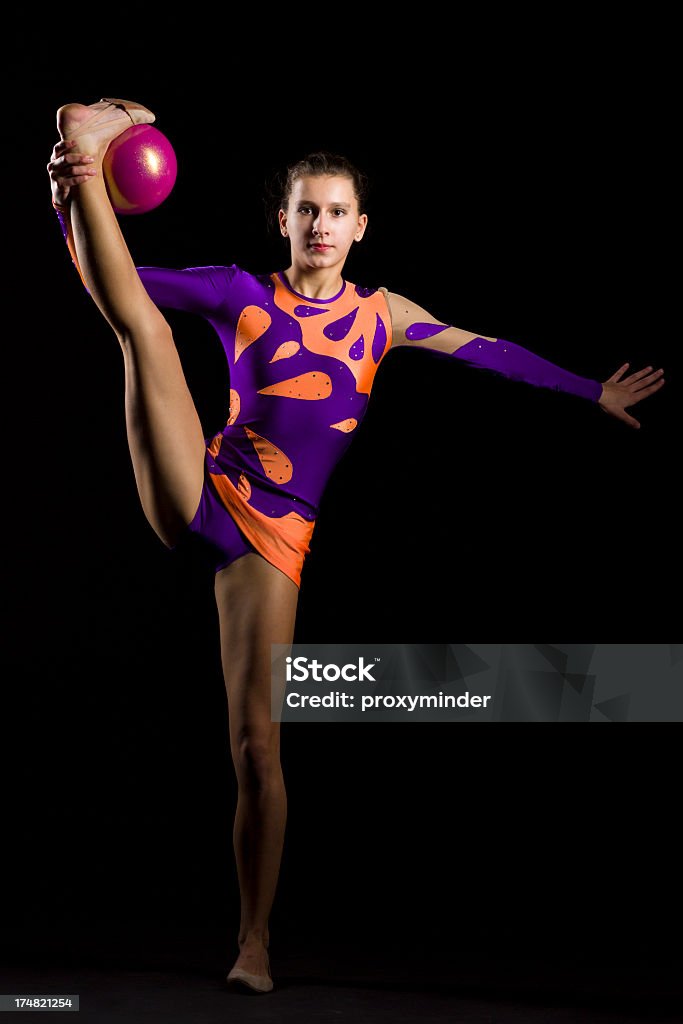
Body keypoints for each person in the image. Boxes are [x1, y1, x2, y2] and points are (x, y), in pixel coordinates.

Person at [47, 98, 665, 994]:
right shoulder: (238, 290)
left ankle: (253, 944)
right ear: (284, 220)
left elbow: (489, 351)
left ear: (360, 226)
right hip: (204, 487)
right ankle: (82, 150)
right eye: (305, 210)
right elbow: (110, 278)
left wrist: (586, 392)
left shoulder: (385, 316)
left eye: (336, 211)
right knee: (141, 327)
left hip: (274, 540)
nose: (321, 225)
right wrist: (69, 197)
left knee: (258, 747)